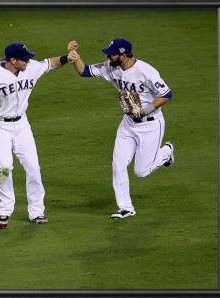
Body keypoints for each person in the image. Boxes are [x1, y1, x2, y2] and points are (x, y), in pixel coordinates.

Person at [0, 42, 71, 228]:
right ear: (13, 60)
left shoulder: (29, 67)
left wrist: (66, 58)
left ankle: (37, 211)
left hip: (22, 125)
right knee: (5, 166)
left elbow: (50, 63)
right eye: (25, 58)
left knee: (33, 167)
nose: (29, 60)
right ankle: (4, 210)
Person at [67, 38, 174, 219]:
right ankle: (125, 207)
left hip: (150, 124)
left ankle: (166, 152)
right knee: (118, 164)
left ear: (123, 55)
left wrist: (144, 110)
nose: (108, 56)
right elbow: (84, 71)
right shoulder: (111, 67)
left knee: (141, 172)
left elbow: (166, 94)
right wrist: (74, 56)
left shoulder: (145, 71)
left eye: (112, 53)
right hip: (128, 124)